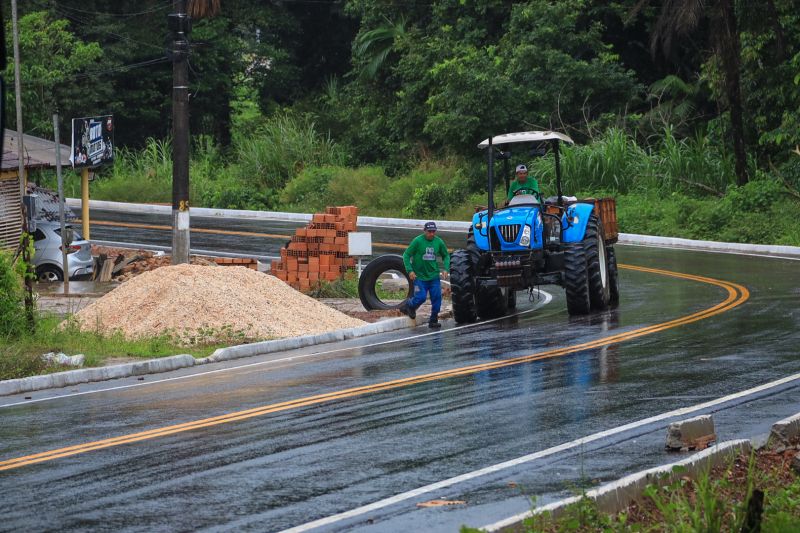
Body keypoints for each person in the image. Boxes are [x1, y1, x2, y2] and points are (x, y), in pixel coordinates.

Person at [399, 221, 450, 329]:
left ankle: (433, 320)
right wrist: (410, 270)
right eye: (429, 231)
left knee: (437, 300)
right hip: (419, 277)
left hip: (434, 277)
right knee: (421, 297)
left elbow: (446, 256)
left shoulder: (439, 242)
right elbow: (406, 255)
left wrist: (446, 268)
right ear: (424, 231)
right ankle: (409, 305)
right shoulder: (417, 241)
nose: (431, 234)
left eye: (433, 231)